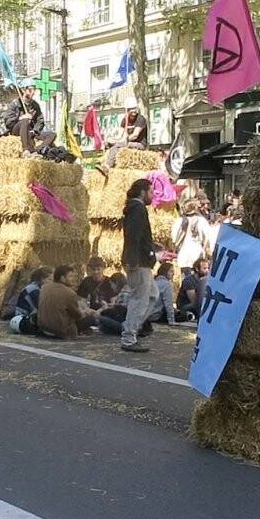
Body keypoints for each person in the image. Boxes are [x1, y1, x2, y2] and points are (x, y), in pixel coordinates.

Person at [120, 179, 159, 352]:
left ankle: (131, 326)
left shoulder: (136, 208)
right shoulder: (137, 208)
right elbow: (133, 236)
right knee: (139, 299)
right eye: (151, 191)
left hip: (141, 259)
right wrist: (132, 260)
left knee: (152, 295)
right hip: (139, 261)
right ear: (143, 192)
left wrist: (151, 245)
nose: (153, 195)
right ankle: (129, 337)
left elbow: (138, 236)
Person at [37, 265, 98, 339]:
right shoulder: (70, 293)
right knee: (91, 319)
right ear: (62, 278)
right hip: (59, 331)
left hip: (43, 329)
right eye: (70, 276)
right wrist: (86, 313)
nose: (73, 279)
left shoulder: (44, 287)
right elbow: (77, 315)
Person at [1, 80, 56, 157]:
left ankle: (38, 150)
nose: (33, 92)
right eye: (30, 90)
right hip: (17, 130)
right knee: (25, 120)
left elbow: (40, 120)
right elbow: (8, 122)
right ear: (24, 90)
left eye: (34, 89)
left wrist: (35, 130)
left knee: (52, 134)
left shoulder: (35, 105)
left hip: (30, 131)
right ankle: (26, 150)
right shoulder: (15, 104)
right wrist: (20, 118)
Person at [96, 97, 148, 174]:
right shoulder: (125, 120)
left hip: (140, 144)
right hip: (128, 143)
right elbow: (121, 135)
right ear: (127, 110)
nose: (134, 110)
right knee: (110, 145)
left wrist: (122, 141)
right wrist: (112, 140)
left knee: (117, 146)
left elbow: (135, 135)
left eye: (134, 108)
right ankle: (101, 161)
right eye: (131, 109)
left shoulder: (140, 118)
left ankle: (107, 166)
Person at [172, 199, 210, 277]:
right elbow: (207, 237)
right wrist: (204, 249)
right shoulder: (202, 220)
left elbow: (174, 238)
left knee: (185, 278)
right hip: (197, 253)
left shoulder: (179, 220)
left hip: (183, 254)